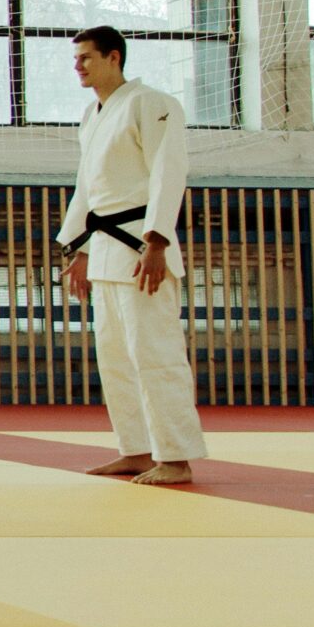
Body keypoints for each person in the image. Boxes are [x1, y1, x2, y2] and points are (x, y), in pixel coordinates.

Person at [56, 25, 204, 487]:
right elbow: (89, 188)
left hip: (142, 246)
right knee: (116, 358)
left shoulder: (151, 103)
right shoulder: (92, 114)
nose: (78, 66)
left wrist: (157, 240)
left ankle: (176, 457)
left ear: (114, 57)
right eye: (76, 59)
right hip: (105, 250)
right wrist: (77, 249)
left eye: (86, 58)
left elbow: (169, 169)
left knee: (155, 354)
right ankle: (137, 450)